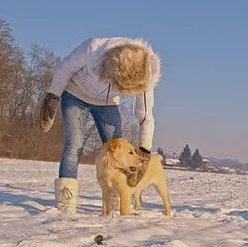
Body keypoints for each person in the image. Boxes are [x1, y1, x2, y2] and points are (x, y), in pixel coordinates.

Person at [38, 37, 161, 214]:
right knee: (74, 145)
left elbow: (145, 115)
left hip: (108, 103)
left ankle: (118, 200)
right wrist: (52, 97)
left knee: (118, 147)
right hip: (75, 94)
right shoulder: (93, 49)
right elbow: (66, 68)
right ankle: (66, 202)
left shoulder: (145, 73)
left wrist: (144, 150)